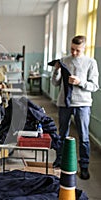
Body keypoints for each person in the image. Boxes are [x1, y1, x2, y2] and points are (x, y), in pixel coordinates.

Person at [51, 35, 99, 180]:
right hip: (64, 103)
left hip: (82, 104)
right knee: (62, 134)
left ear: (84, 48)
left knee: (84, 136)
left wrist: (80, 82)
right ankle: (60, 161)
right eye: (72, 49)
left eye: (77, 50)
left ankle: (84, 167)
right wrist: (56, 71)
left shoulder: (91, 62)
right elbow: (55, 83)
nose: (74, 53)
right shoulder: (64, 60)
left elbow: (95, 86)